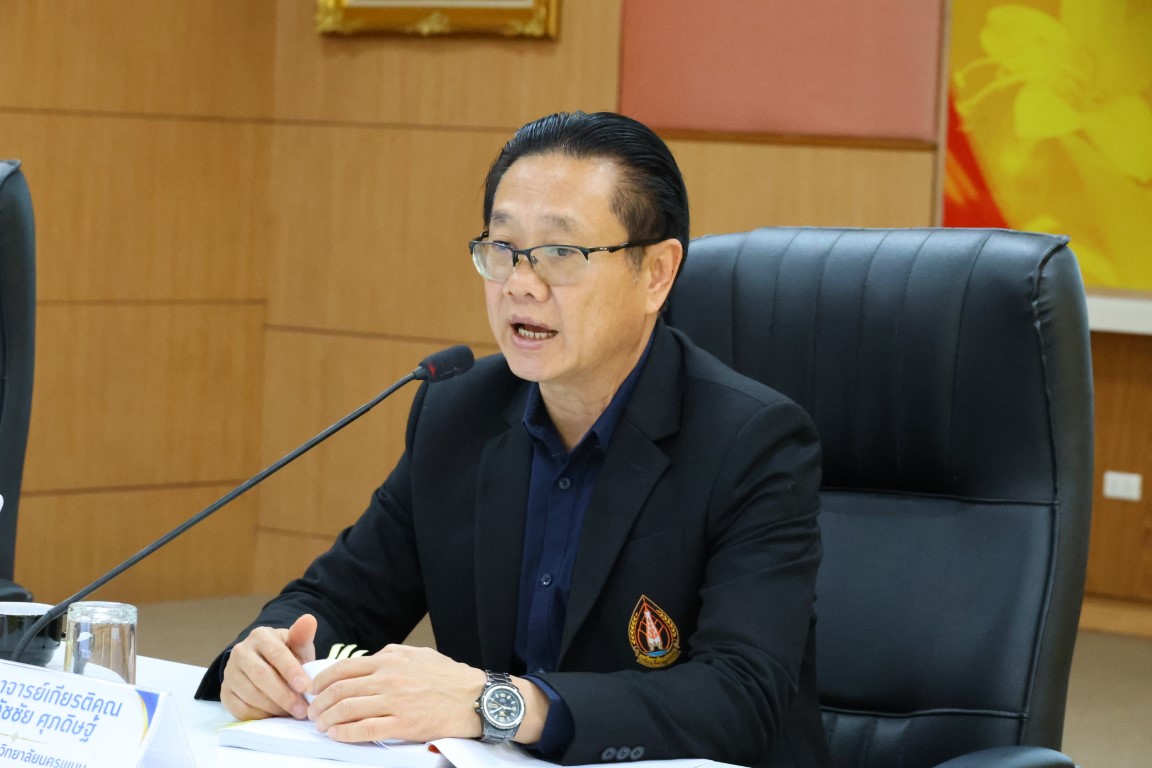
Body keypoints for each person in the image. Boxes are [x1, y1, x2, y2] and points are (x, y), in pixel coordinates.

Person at [196, 111, 830, 768]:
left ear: (656, 275)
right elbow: (337, 600)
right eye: (503, 248)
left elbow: (740, 696)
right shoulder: (458, 412)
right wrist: (267, 654)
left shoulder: (750, 442)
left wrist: (498, 703)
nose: (521, 284)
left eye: (562, 253)